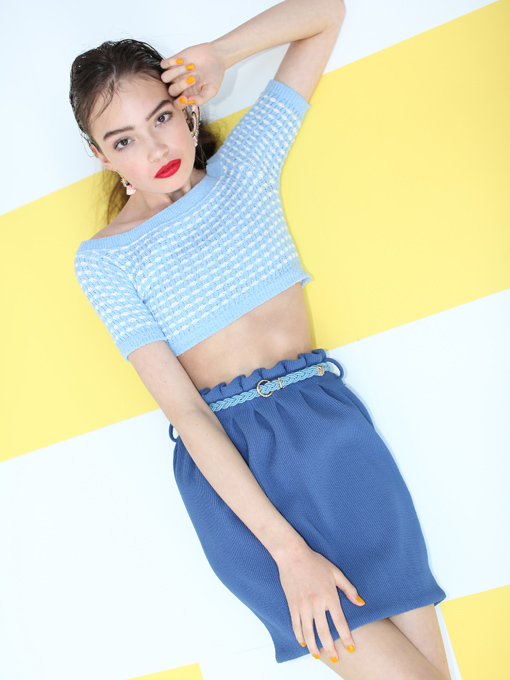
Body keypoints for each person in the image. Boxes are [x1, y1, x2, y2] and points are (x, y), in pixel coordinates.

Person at [70, 1, 451, 678]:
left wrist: (219, 54)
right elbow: (187, 414)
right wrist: (288, 553)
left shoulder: (245, 169)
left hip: (337, 442)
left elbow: (324, 14)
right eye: (123, 140)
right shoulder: (106, 259)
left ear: (187, 107)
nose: (155, 149)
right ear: (100, 156)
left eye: (161, 117)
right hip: (244, 481)